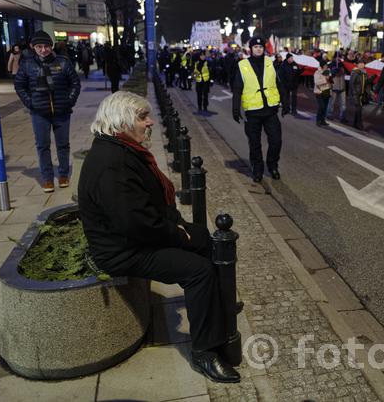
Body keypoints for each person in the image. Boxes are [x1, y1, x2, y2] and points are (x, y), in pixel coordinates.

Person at [77, 92, 240, 384]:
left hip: (136, 238)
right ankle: (205, 352)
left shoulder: (121, 150)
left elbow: (145, 209)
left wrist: (181, 227)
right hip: (122, 251)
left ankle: (216, 307)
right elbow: (135, 223)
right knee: (198, 271)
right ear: (121, 121)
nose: (149, 122)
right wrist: (178, 234)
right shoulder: (111, 163)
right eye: (142, 117)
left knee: (206, 240)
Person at [14, 31, 81, 192]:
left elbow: (75, 84)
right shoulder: (28, 64)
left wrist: (69, 101)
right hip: (39, 113)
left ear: (51, 46)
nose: (43, 50)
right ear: (33, 47)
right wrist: (31, 103)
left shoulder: (63, 62)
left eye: (46, 46)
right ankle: (48, 178)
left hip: (62, 112)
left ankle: (63, 175)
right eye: (39, 47)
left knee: (63, 145)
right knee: (43, 146)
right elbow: (19, 85)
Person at [232, 37, 287, 182]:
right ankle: (257, 169)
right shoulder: (242, 65)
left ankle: (272, 165)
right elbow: (237, 88)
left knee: (276, 141)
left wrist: (286, 102)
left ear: (264, 49)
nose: (258, 49)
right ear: (251, 49)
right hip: (253, 111)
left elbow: (279, 84)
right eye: (255, 46)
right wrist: (235, 108)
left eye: (261, 47)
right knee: (255, 143)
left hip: (270, 110)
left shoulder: (271, 63)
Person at [350, 59, 372, 130]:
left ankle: (355, 123)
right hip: (356, 94)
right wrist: (354, 93)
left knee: (358, 109)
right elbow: (352, 83)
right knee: (359, 109)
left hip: (362, 94)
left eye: (363, 63)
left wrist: (373, 77)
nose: (362, 64)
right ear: (357, 64)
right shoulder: (355, 72)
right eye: (360, 63)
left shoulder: (364, 73)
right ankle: (359, 124)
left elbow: (366, 82)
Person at [327, 55, 347, 122]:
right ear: (335, 58)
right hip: (334, 87)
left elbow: (346, 73)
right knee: (331, 102)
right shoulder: (330, 65)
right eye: (337, 57)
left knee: (343, 104)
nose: (338, 59)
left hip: (342, 87)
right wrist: (333, 73)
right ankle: (329, 114)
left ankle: (342, 117)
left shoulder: (343, 65)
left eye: (340, 57)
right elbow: (328, 76)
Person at [313, 59, 332, 126]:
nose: (326, 66)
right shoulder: (317, 72)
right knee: (321, 106)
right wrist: (325, 79)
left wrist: (330, 80)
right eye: (325, 65)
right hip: (319, 91)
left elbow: (330, 80)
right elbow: (317, 82)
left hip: (327, 91)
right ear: (322, 66)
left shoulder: (328, 71)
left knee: (325, 107)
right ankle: (318, 120)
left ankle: (323, 120)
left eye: (326, 65)